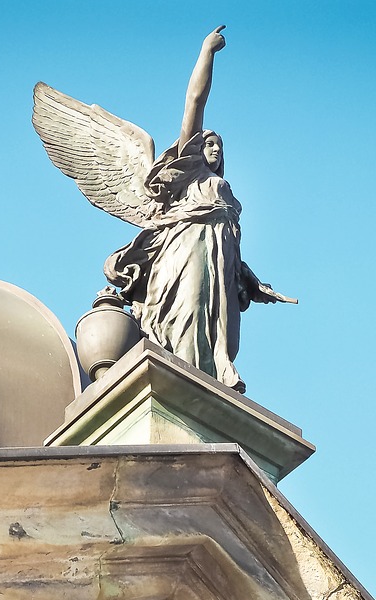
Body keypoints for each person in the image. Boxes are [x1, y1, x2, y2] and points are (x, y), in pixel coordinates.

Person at [104, 26, 292, 393]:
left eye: (219, 146)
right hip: (185, 249)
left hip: (219, 253)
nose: (215, 149)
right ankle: (185, 375)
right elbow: (195, 101)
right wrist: (207, 52)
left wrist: (251, 281)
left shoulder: (226, 193)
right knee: (190, 309)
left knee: (222, 314)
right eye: (208, 143)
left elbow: (234, 251)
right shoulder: (189, 174)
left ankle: (221, 363)